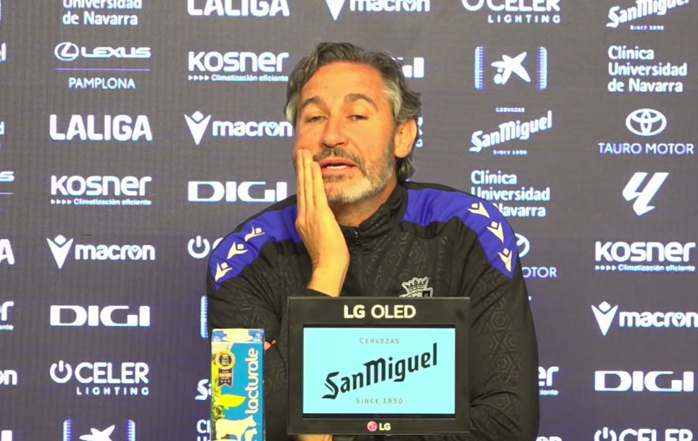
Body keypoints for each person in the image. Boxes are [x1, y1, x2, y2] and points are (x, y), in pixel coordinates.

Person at [207, 41, 540, 441]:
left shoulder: (466, 231)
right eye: (314, 117)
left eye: (356, 115)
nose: (332, 135)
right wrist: (327, 271)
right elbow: (241, 427)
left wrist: (329, 434)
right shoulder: (243, 259)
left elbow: (506, 427)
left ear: (402, 136)